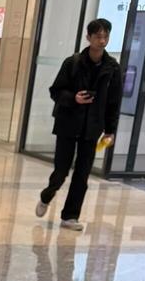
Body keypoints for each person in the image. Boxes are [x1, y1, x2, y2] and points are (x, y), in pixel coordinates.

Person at [35, 17, 121, 232]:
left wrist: (110, 131)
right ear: (88, 37)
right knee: (61, 171)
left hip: (92, 128)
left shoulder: (112, 67)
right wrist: (74, 98)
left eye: (106, 36)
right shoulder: (72, 62)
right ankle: (47, 195)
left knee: (82, 175)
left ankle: (70, 216)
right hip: (68, 124)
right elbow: (55, 91)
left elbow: (114, 101)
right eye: (98, 36)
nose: (102, 41)